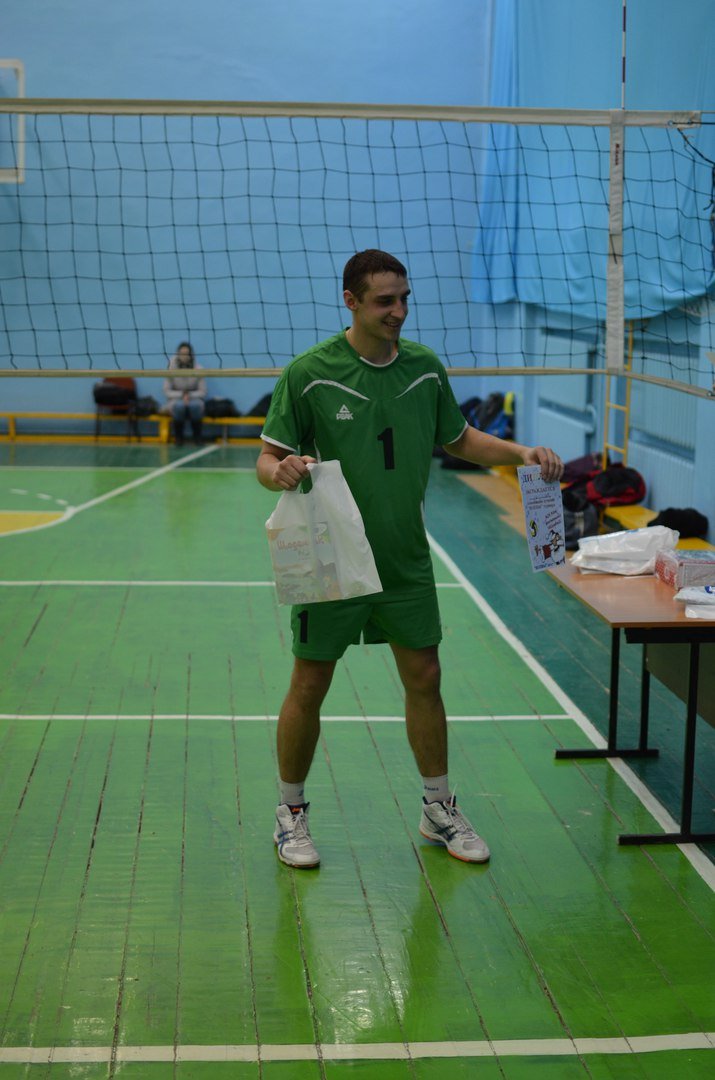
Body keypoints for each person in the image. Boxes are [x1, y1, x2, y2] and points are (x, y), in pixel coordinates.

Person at [257, 250, 563, 869]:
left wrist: (520, 453)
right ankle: (290, 814)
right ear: (351, 301)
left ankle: (438, 808)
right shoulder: (308, 373)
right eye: (384, 301)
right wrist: (280, 470)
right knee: (310, 682)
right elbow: (267, 459)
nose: (398, 311)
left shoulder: (424, 369)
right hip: (331, 558)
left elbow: (459, 438)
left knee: (425, 677)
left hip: (404, 558)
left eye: (404, 298)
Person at [163, 342, 207, 446]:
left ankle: (197, 437)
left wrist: (189, 395)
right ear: (178, 354)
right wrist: (182, 394)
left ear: (191, 355)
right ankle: (178, 438)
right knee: (179, 406)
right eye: (182, 353)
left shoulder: (199, 369)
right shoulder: (171, 368)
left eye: (187, 353)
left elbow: (203, 392)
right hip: (177, 397)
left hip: (194, 397)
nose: (184, 356)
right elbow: (166, 391)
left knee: (195, 406)